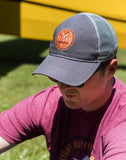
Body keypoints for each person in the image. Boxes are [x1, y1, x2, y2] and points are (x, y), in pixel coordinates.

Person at [0, 12, 126, 160]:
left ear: (110, 69)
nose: (63, 86)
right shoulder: (51, 103)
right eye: (57, 75)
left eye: (75, 77)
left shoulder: (121, 122)